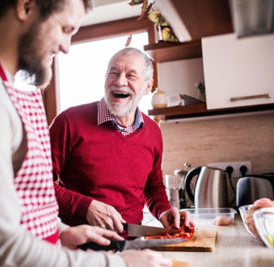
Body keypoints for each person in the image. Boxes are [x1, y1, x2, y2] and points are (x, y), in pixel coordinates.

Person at [0, 1, 173, 266]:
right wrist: (120, 264)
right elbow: (0, 250)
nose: (65, 47)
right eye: (65, 28)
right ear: (26, 6)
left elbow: (19, 204)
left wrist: (61, 232)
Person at [50, 47, 192, 233]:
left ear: (148, 86)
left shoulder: (153, 132)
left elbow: (153, 187)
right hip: (78, 246)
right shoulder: (68, 122)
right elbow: (38, 184)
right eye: (113, 73)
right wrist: (85, 206)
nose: (119, 81)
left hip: (132, 242)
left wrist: (164, 211)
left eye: (131, 76)